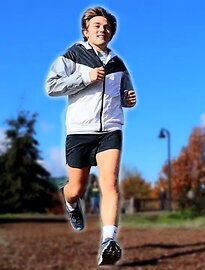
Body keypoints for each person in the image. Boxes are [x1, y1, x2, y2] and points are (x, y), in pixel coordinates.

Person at [45, 6, 136, 266]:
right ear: (86, 31)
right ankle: (70, 199)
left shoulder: (118, 63)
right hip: (80, 131)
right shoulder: (73, 55)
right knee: (77, 189)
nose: (102, 30)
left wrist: (129, 99)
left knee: (110, 184)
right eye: (96, 26)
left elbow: (125, 96)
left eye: (106, 27)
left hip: (110, 129)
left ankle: (109, 241)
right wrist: (85, 76)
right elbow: (51, 86)